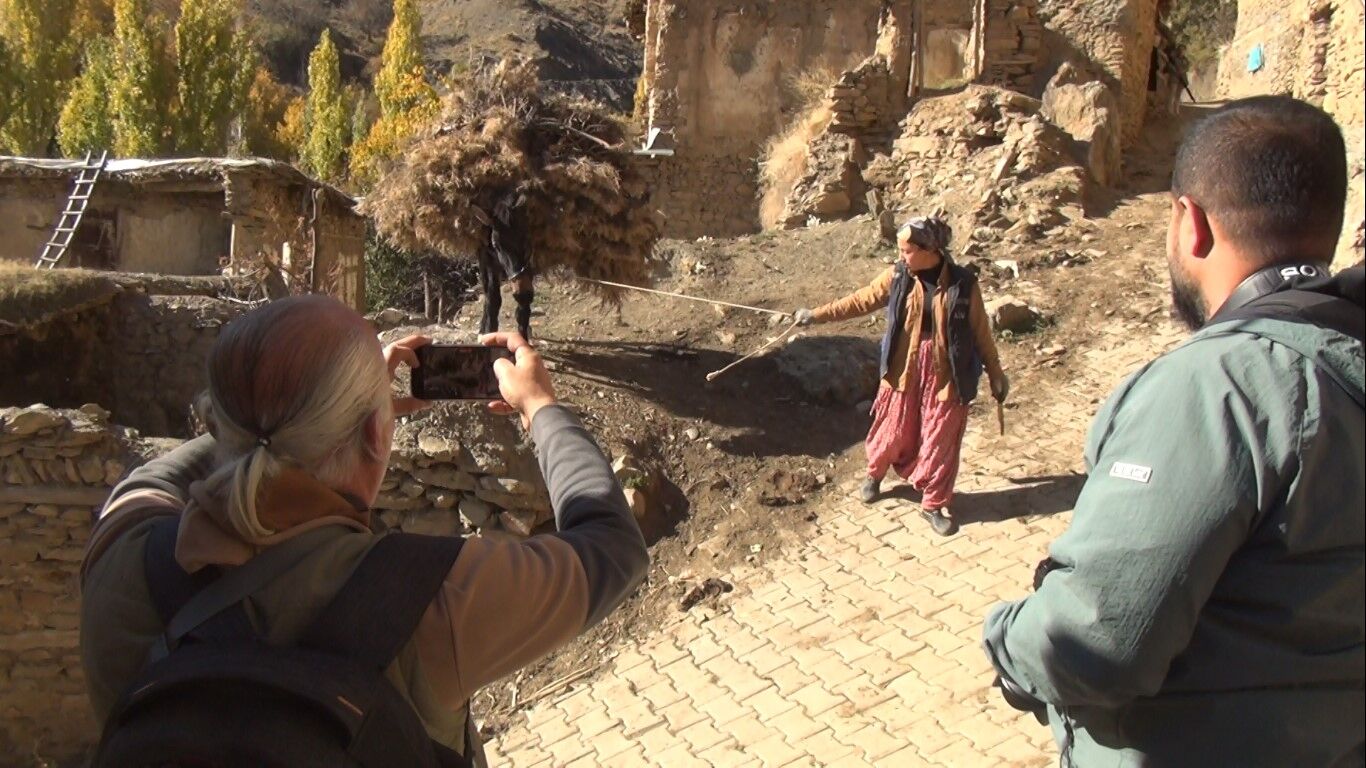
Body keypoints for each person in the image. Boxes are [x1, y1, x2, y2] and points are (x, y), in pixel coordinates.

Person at [79, 295, 649, 766]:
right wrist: (540, 408)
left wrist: (299, 418)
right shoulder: (433, 601)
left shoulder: (127, 560)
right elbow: (612, 547)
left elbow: (151, 480)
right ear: (379, 435)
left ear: (222, 424)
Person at [982, 95, 1364, 765]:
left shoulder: (1222, 385)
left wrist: (1005, 639)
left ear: (1191, 224)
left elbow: (1096, 641)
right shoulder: (1342, 352)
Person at [793, 217, 1008, 536]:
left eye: (907, 250)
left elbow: (980, 332)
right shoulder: (897, 276)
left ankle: (934, 503)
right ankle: (875, 474)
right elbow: (859, 300)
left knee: (941, 437)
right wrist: (815, 315)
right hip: (903, 366)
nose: (902, 256)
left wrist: (996, 373)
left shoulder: (964, 284)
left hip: (947, 373)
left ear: (929, 249)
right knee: (893, 429)